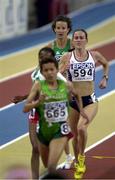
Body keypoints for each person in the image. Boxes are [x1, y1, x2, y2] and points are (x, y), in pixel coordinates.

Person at [23, 56, 87, 176]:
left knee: (52, 166)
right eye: (46, 70)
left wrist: (82, 111)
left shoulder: (66, 85)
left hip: (60, 130)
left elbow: (77, 95)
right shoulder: (38, 86)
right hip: (44, 130)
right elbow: (25, 108)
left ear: (57, 70)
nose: (49, 72)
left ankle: (68, 158)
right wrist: (38, 103)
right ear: (41, 72)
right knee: (47, 166)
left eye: (52, 69)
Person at [59, 28, 109, 179]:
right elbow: (56, 76)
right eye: (76, 37)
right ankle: (78, 164)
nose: (79, 40)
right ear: (73, 41)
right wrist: (62, 70)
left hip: (89, 100)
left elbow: (106, 63)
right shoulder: (67, 57)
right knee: (74, 135)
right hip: (72, 101)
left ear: (86, 40)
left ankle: (81, 158)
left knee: (81, 128)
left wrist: (104, 78)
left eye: (82, 37)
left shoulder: (94, 55)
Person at [12, 47, 57, 179]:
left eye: (46, 57)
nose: (42, 59)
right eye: (40, 57)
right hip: (35, 110)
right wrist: (24, 98)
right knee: (35, 148)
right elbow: (35, 91)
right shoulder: (35, 73)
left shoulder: (56, 74)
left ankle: (51, 173)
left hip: (50, 112)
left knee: (47, 149)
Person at [47, 15, 74, 169]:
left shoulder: (73, 44)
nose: (60, 30)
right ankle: (68, 156)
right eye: (58, 28)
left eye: (63, 28)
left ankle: (74, 155)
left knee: (72, 125)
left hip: (73, 87)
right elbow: (45, 67)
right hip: (57, 89)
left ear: (68, 30)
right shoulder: (51, 46)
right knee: (61, 124)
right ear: (54, 29)